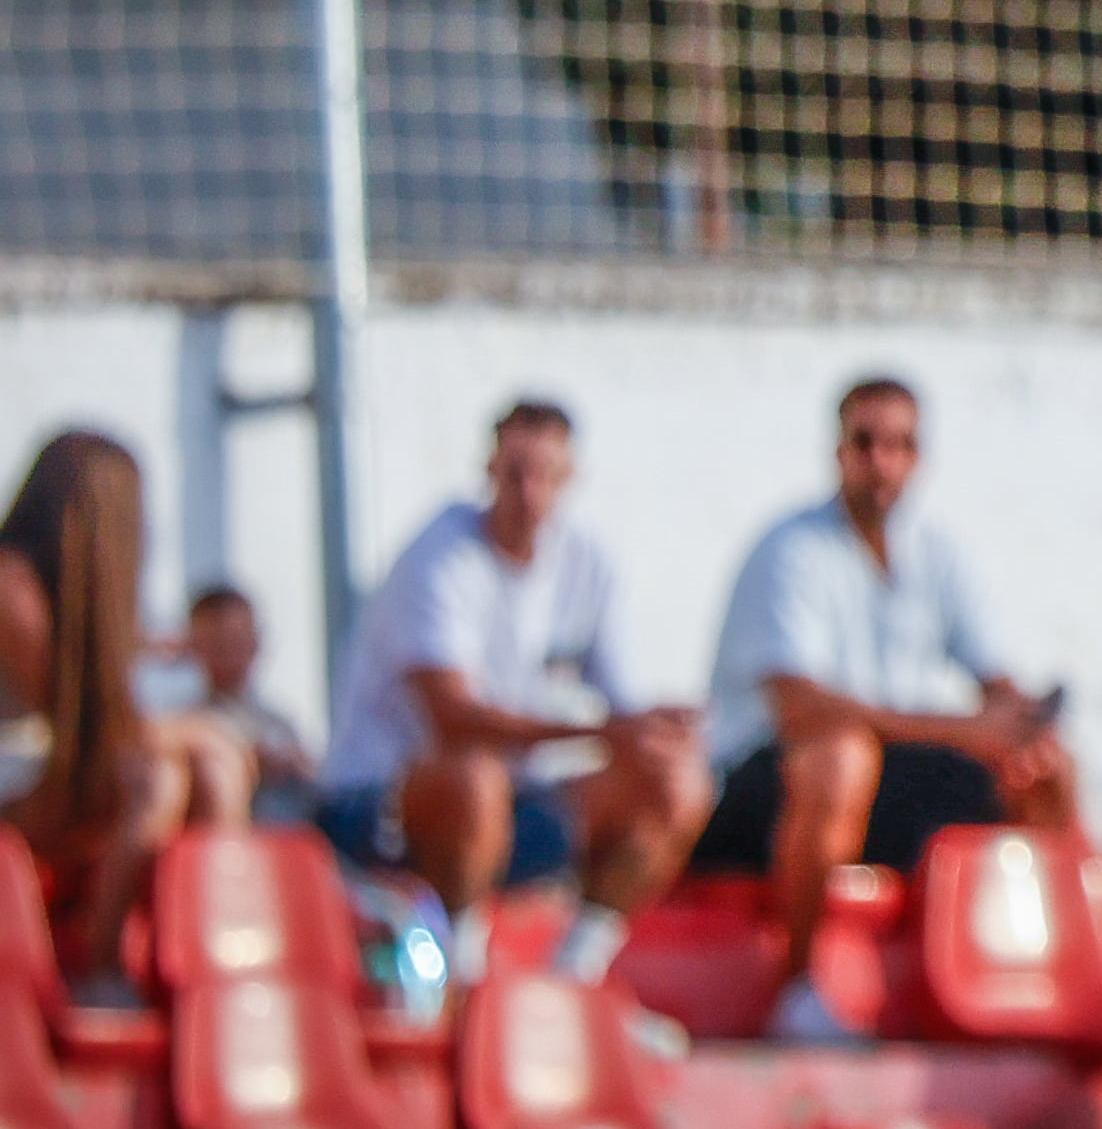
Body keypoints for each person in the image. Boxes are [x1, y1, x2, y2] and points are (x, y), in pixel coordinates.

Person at [690, 378, 1080, 1040]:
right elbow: (800, 709)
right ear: (838, 451)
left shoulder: (938, 553)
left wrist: (1021, 723)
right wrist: (967, 730)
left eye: (898, 446)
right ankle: (797, 990)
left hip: (880, 781)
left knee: (1045, 768)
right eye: (866, 444)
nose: (882, 463)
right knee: (839, 760)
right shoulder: (790, 552)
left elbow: (992, 678)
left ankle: (1043, 976)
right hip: (763, 790)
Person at [311, 401, 711, 986]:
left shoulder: (586, 562)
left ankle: (576, 976)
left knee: (676, 780)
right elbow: (453, 721)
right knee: (474, 781)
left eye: (544, 475)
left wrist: (658, 730)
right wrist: (605, 732)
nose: (528, 493)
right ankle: (463, 985)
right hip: (375, 806)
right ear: (490, 471)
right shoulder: (438, 558)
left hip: (508, 810)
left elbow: (620, 712)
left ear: (570, 478)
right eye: (515, 473)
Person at [0, 434, 250, 986]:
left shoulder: (60, 595)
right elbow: (83, 724)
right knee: (160, 776)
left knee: (208, 762)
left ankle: (207, 959)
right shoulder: (11, 588)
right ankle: (102, 964)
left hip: (51, 776)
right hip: (16, 782)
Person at [170, 584, 319, 816]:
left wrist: (300, 768)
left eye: (238, 641)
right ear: (193, 646)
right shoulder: (181, 727)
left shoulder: (280, 723)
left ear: (257, 642)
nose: (230, 655)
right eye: (218, 644)